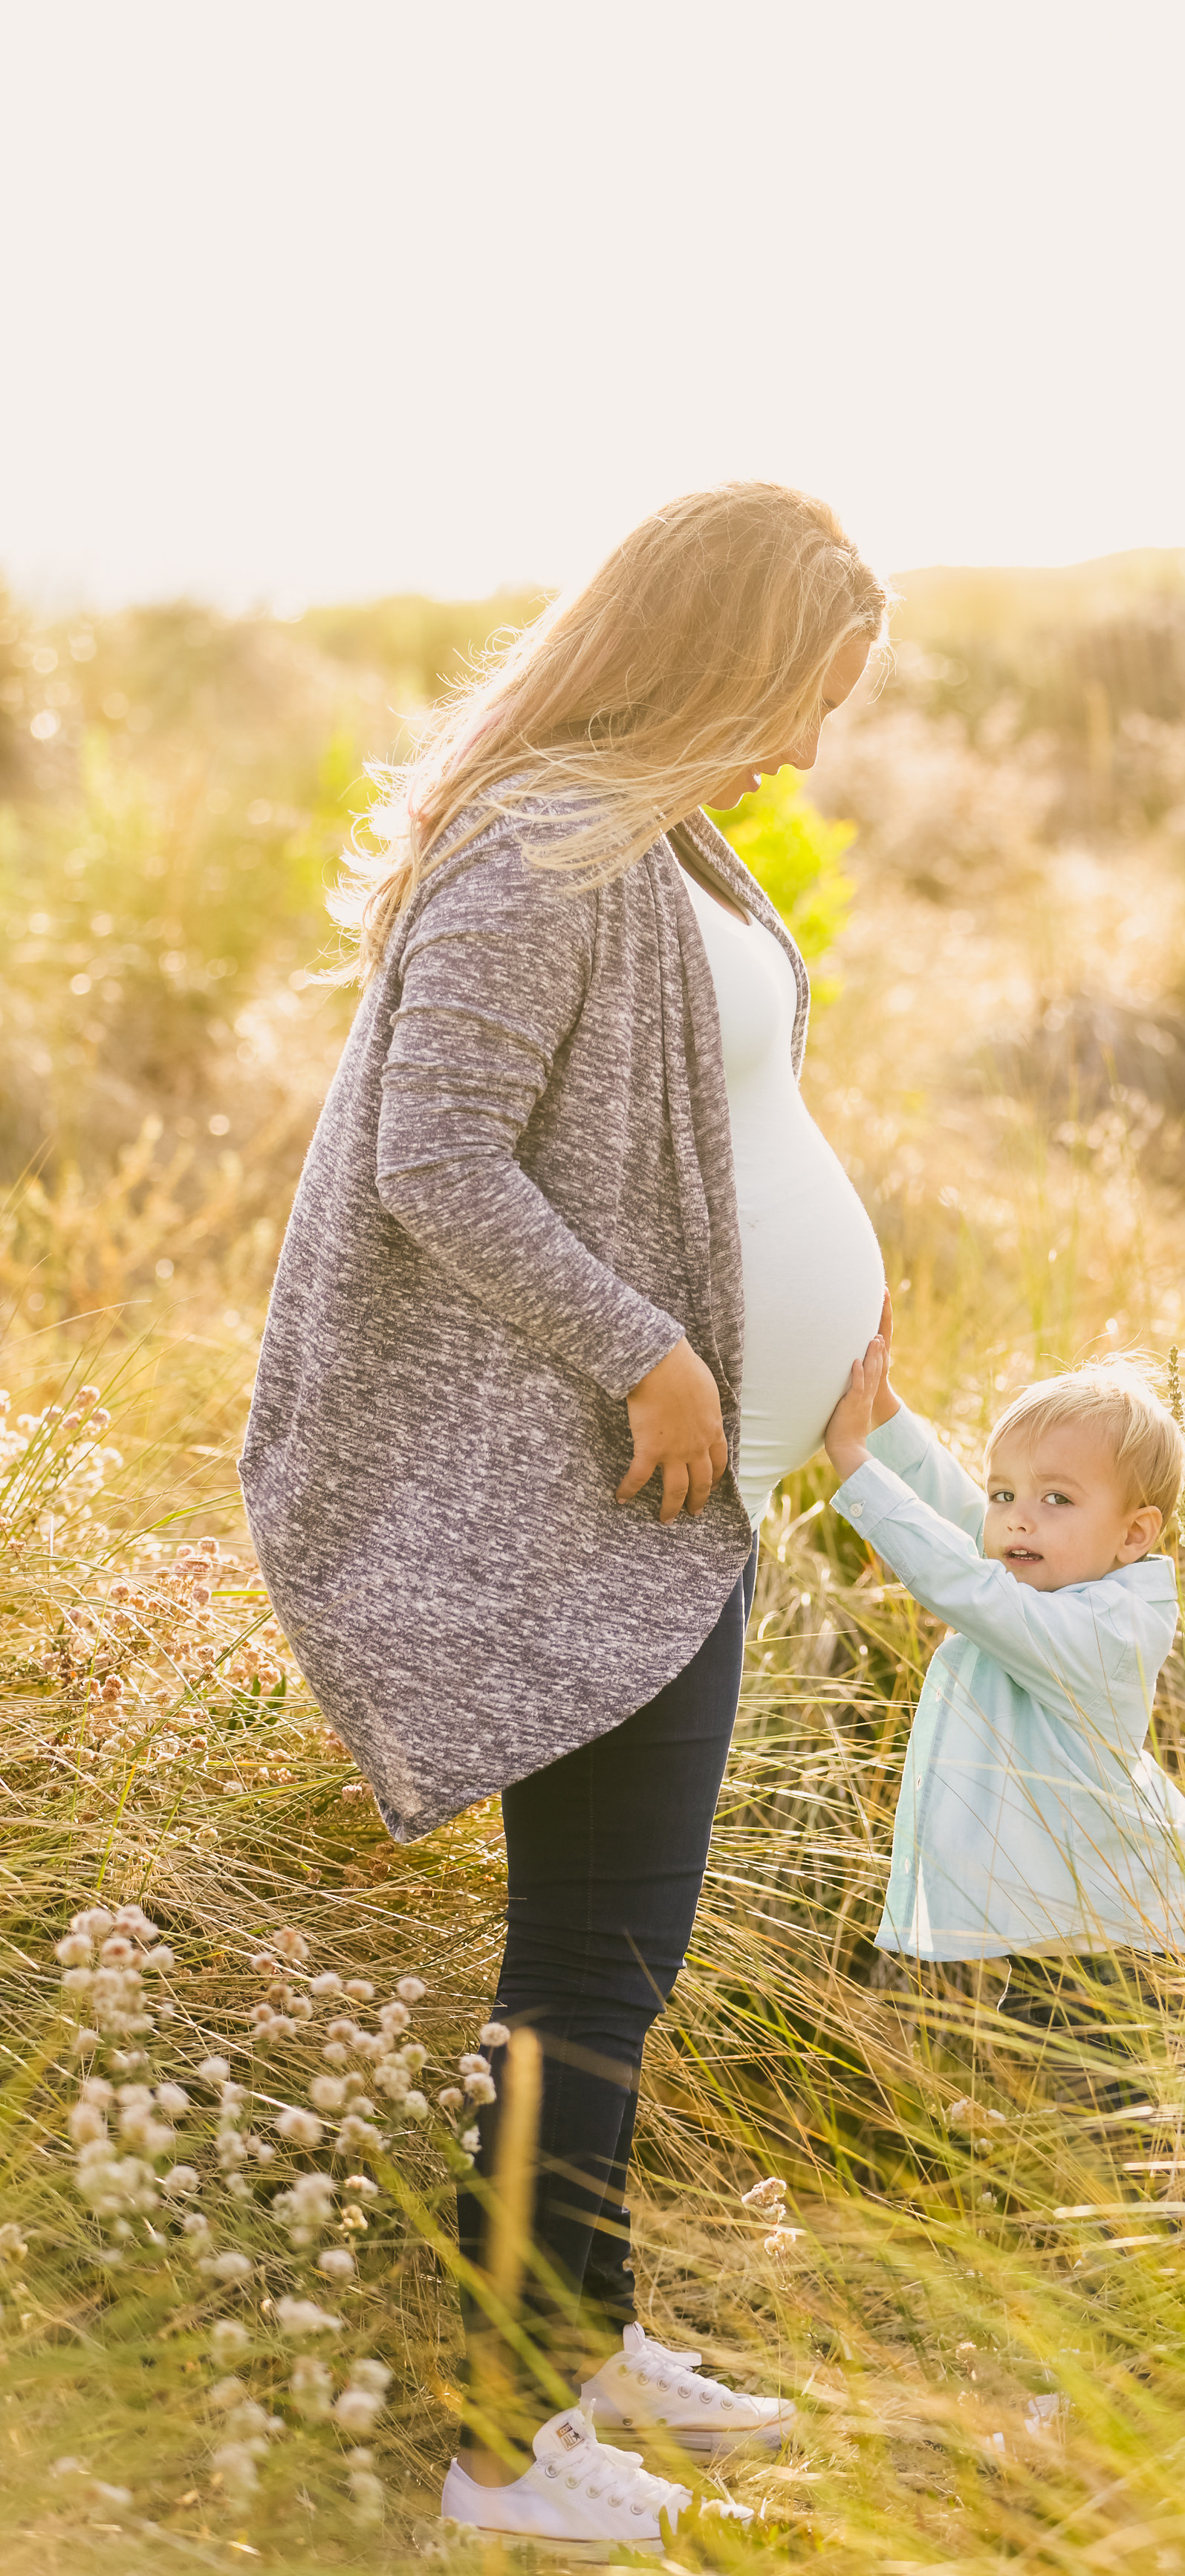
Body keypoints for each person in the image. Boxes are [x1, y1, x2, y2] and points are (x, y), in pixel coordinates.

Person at [240, 484, 891, 2551]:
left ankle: (583, 2339)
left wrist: (839, 1320)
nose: (809, 750)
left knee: (619, 1954)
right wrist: (650, 1349)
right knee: (585, 1978)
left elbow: (733, 1118)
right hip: (579, 1496)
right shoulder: (536, 848)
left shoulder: (661, 837)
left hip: (684, 1498)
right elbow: (436, 1152)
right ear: (719, 657)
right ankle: (499, 2453)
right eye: (803, 696)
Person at [822, 1323, 1185, 2099]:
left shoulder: (1102, 1630)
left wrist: (856, 1463)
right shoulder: (1059, 1575)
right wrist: (887, 1415)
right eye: (1008, 1494)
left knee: (1108, 2134)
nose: (1018, 1519)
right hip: (1065, 1941)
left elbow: (968, 1585)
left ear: (1134, 1534)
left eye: (1056, 1498)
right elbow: (965, 1519)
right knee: (1053, 2132)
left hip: (1116, 1958)